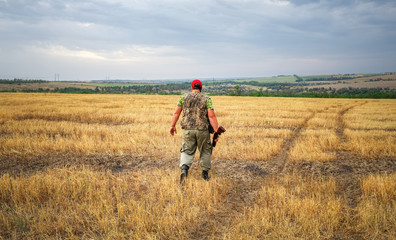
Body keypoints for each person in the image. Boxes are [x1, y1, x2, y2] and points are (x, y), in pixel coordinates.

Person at [170, 79, 219, 183]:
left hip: (188, 130)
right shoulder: (207, 99)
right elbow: (211, 116)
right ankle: (205, 174)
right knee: (205, 151)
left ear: (192, 88)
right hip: (203, 130)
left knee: (187, 151)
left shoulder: (183, 97)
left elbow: (176, 113)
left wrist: (172, 126)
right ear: (201, 88)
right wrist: (216, 131)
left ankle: (184, 169)